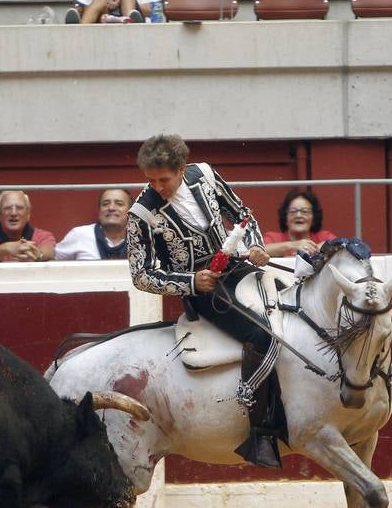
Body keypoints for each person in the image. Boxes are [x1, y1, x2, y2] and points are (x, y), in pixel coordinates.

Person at [127, 133, 281, 469]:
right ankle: (260, 431)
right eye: (150, 180)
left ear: (182, 169)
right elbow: (140, 274)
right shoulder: (142, 212)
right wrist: (190, 282)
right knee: (261, 335)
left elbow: (242, 214)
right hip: (206, 293)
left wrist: (256, 245)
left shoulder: (206, 175)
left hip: (237, 267)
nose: (156, 187)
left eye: (163, 179)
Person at [0, 190, 57, 262]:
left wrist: (37, 255)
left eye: (19, 208)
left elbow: (49, 251)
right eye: (7, 208)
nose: (13, 213)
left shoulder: (43, 236)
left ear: (28, 214)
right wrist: (6, 248)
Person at [55, 188, 132, 260]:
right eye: (105, 204)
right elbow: (51, 260)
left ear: (131, 211)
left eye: (119, 204)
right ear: (99, 211)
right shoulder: (79, 234)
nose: (111, 208)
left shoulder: (142, 238)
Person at [262, 188, 339, 258]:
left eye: (305, 211)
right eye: (293, 211)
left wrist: (313, 250)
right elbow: (259, 250)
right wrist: (293, 245)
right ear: (285, 217)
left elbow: (339, 246)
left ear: (314, 218)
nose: (298, 215)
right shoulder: (274, 238)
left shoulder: (324, 236)